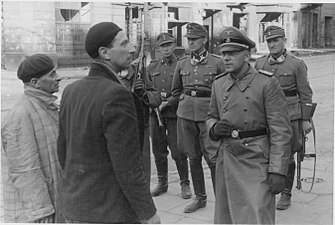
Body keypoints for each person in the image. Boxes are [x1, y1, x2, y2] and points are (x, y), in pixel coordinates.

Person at [57, 22, 160, 223]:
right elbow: (127, 165)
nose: (132, 49)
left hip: (75, 206)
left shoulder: (71, 90)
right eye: (124, 43)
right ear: (105, 53)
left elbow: (63, 151)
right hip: (108, 212)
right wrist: (148, 212)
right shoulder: (117, 94)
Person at [207, 26, 292, 224]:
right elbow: (210, 115)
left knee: (257, 215)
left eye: (233, 53)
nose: (226, 58)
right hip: (228, 159)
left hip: (256, 161)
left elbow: (281, 132)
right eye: (224, 53)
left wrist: (277, 170)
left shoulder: (266, 83)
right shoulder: (218, 84)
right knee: (226, 216)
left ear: (247, 56)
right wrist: (214, 128)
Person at [254, 25, 314, 210]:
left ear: (284, 41)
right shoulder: (260, 63)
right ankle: (268, 189)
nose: (272, 44)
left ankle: (286, 194)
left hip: (290, 117)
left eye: (276, 40)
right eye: (269, 41)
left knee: (287, 157)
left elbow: (306, 94)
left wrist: (305, 120)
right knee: (265, 153)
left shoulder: (296, 64)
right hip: (266, 116)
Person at [171, 22, 225, 213]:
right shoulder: (182, 63)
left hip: (208, 116)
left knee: (213, 158)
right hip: (186, 115)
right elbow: (176, 91)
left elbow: (225, 92)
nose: (191, 43)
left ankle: (222, 201)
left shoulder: (217, 62)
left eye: (195, 39)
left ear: (204, 40)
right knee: (193, 157)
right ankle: (200, 198)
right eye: (189, 40)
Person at [1, 54, 62, 223]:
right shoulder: (20, 115)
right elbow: (25, 170)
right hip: (34, 213)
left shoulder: (46, 106)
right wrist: (41, 212)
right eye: (52, 75)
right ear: (35, 82)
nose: (58, 78)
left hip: (52, 201)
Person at [147, 33, 191, 198]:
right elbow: (146, 89)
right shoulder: (152, 67)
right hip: (156, 114)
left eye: (168, 45)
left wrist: (169, 102)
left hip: (174, 113)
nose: (166, 48)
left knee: (178, 150)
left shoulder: (182, 65)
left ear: (174, 46)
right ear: (159, 48)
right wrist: (152, 103)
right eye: (162, 46)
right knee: (158, 150)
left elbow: (184, 89)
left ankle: (185, 183)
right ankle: (162, 182)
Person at [117, 46, 162, 184]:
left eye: (131, 55)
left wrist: (143, 93)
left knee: (142, 170)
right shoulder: (111, 77)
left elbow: (156, 99)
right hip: (119, 130)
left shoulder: (140, 75)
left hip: (140, 128)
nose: (129, 58)